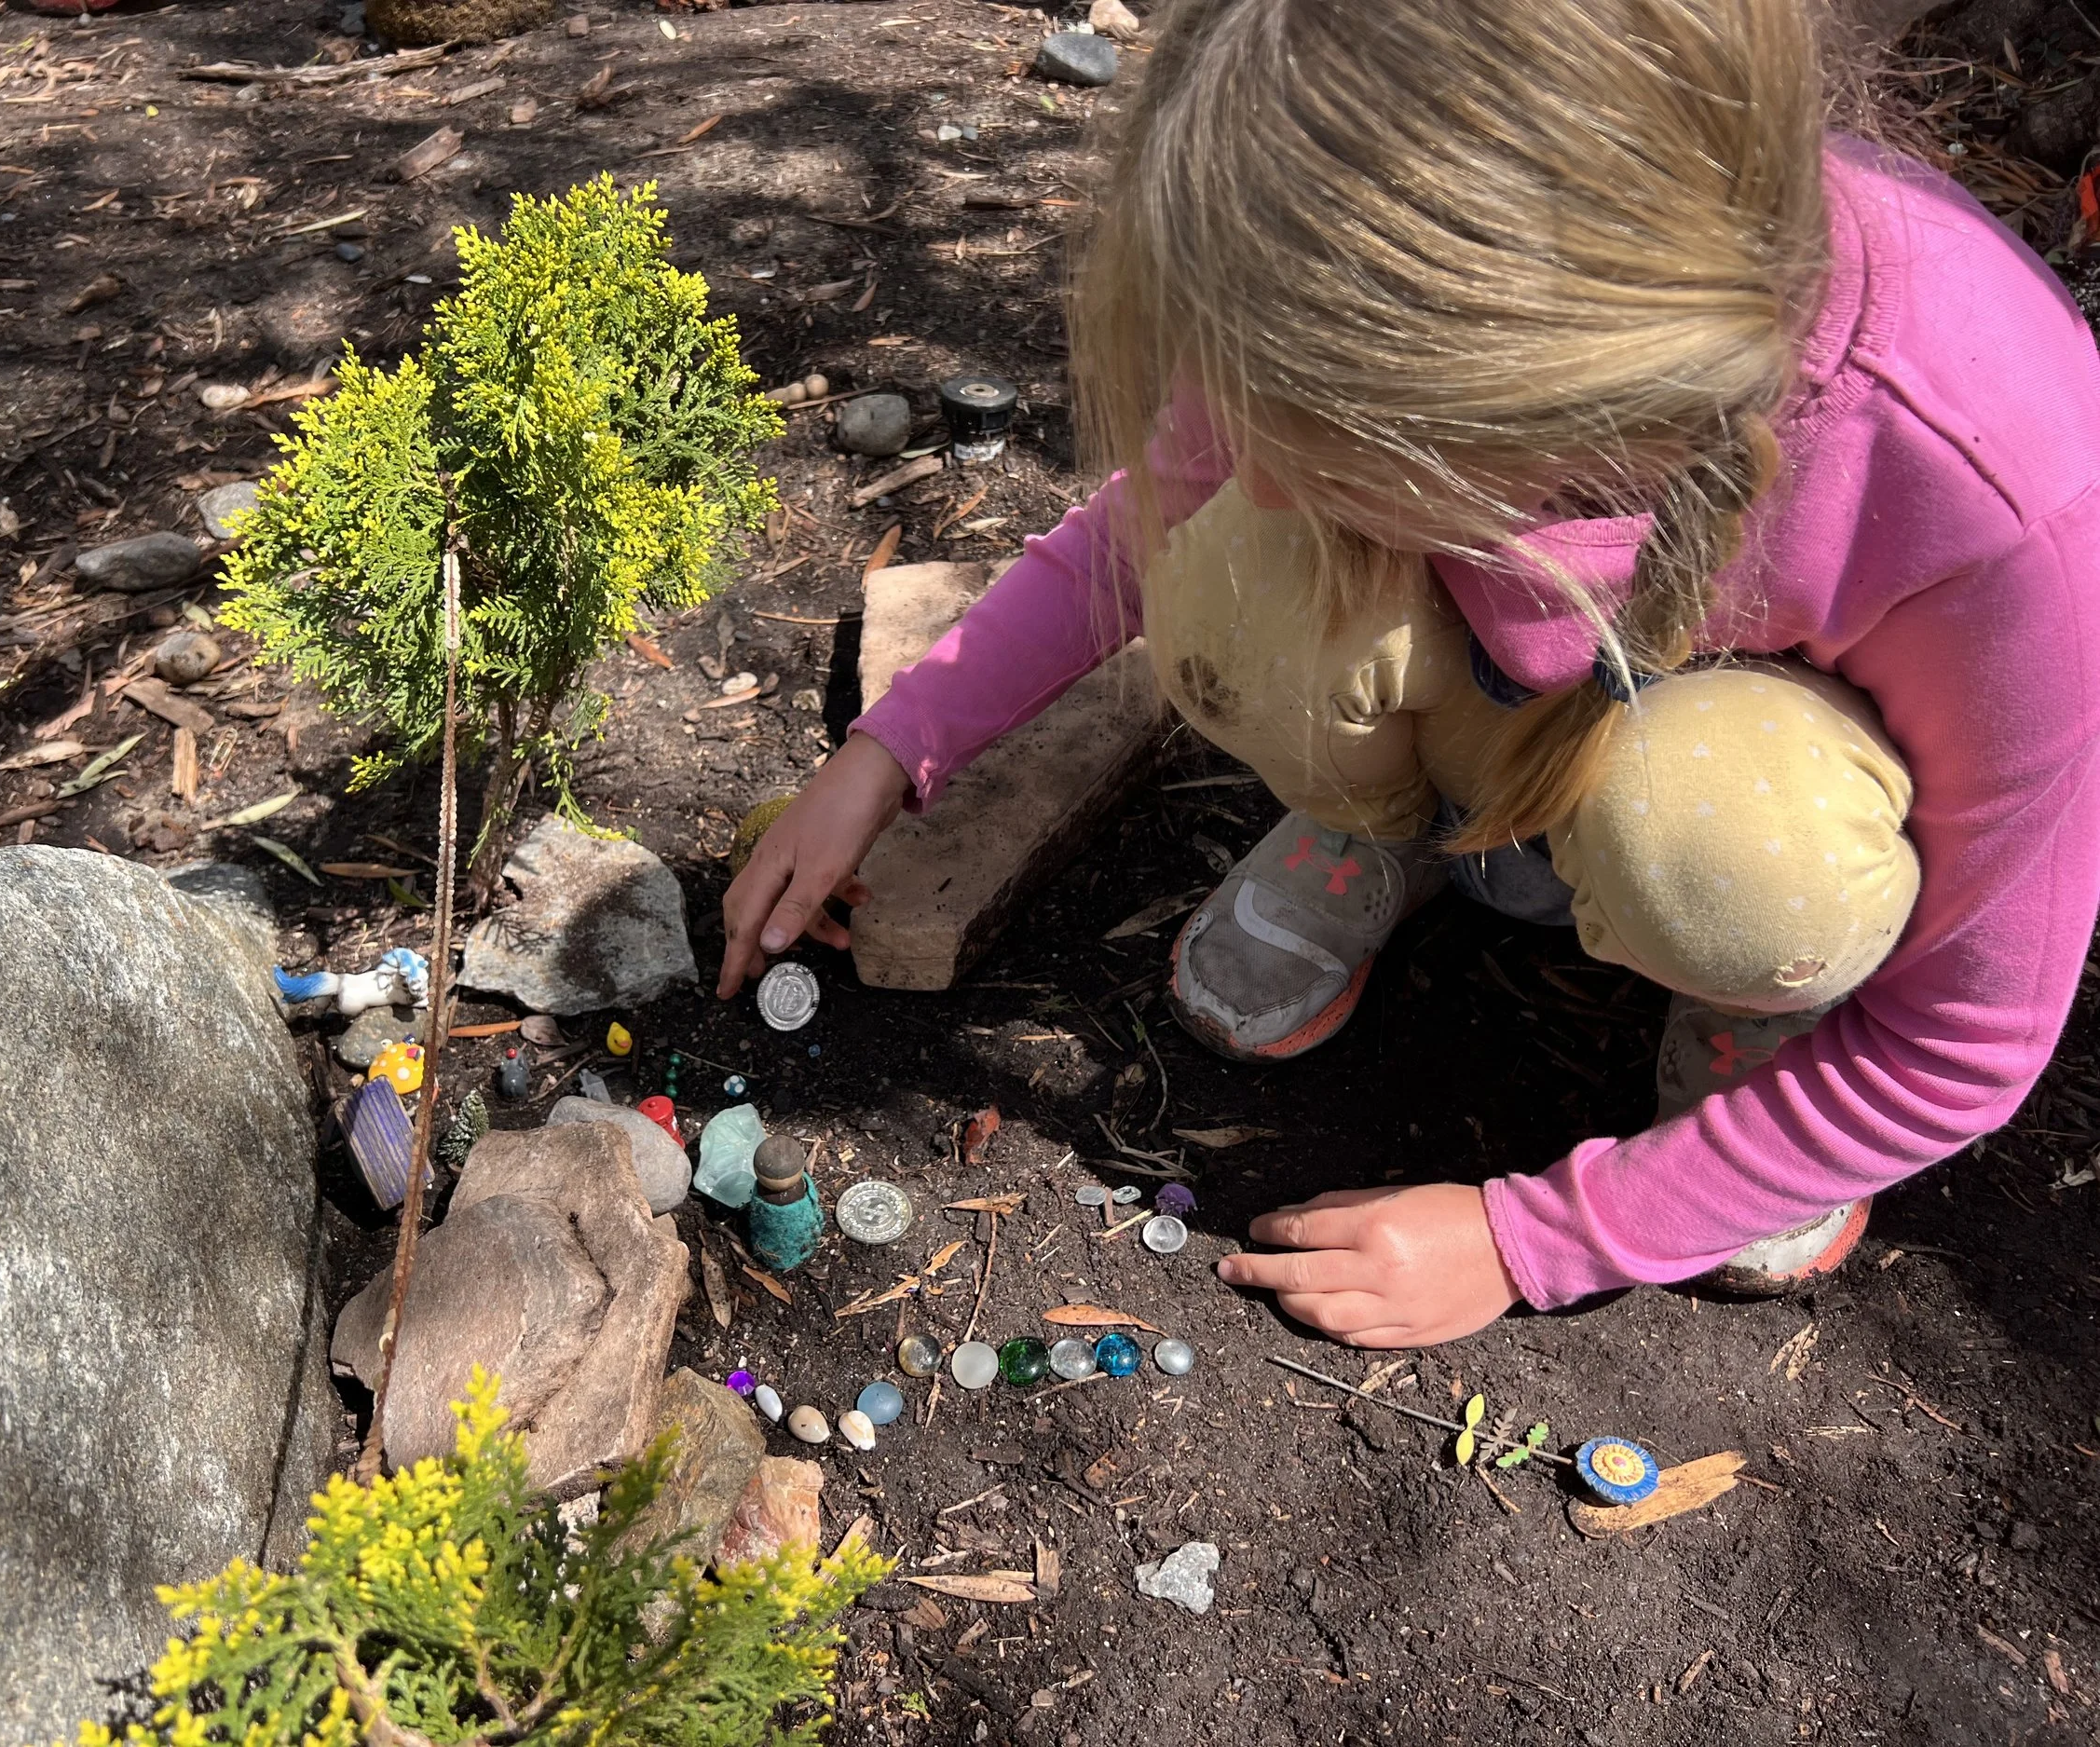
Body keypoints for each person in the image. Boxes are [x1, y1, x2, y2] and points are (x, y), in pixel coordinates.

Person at [717, 0, 2100, 1347]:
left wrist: (1528, 1237)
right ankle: (1399, 823)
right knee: (1233, 567)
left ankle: (1756, 987)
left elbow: (1966, 1036)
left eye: (1312, 430)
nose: (1248, 464)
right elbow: (1139, 534)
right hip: (1517, 715)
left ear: (1489, 392)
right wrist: (889, 748)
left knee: (1736, 855)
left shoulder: (1994, 477)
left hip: (1728, 787)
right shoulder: (1354, 248)